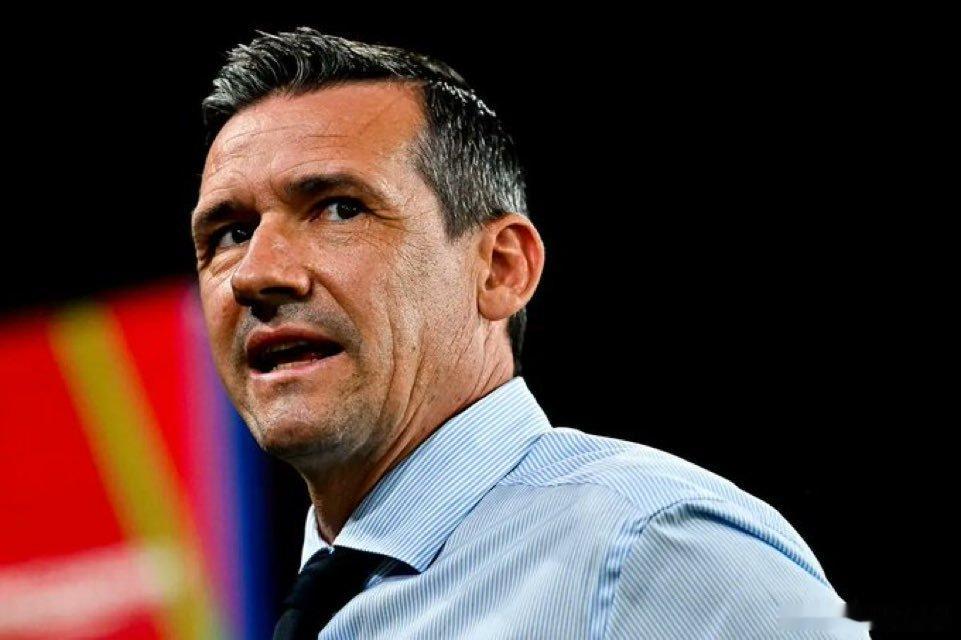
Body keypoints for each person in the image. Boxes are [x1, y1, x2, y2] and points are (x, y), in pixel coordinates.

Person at [191, 27, 870, 639]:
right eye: (231, 232)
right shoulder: (324, 596)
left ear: (500, 269)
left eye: (340, 209)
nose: (256, 274)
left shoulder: (656, 546)